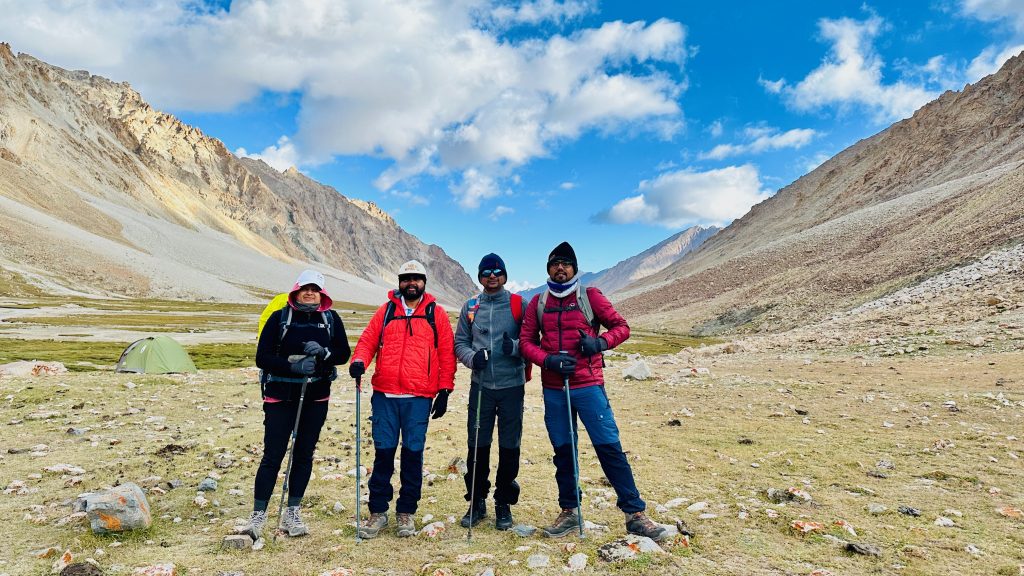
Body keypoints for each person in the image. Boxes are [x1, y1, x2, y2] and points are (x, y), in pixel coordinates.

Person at [519, 241, 668, 541]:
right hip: (554, 389)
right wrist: (547, 359)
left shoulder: (590, 296)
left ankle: (635, 513)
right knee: (564, 451)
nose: (560, 268)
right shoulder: (539, 302)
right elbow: (526, 342)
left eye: (566, 263)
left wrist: (599, 343)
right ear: (548, 269)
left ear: (575, 268)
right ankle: (570, 512)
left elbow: (621, 327)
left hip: (588, 385)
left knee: (609, 447)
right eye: (555, 264)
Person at [349, 260, 456, 539]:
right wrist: (359, 361)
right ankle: (377, 512)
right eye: (406, 278)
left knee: (412, 455)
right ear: (399, 282)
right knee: (383, 453)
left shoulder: (436, 314)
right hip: (385, 394)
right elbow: (368, 341)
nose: (411, 283)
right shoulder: (386, 312)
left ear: (424, 282)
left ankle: (406, 511)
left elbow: (447, 353)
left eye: (416, 279)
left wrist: (444, 390)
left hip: (418, 397)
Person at [244, 270, 351, 539]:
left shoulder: (330, 319)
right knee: (273, 454)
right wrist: (293, 365)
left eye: (315, 289)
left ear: (322, 294)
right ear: (296, 290)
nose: (310, 292)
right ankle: (258, 515)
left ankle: (292, 511)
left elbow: (343, 353)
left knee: (304, 453)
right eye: (305, 288)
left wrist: (324, 353)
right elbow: (262, 357)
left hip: (315, 396)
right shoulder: (280, 317)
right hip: (280, 395)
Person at [453, 253, 528, 531]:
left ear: (505, 275)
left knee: (510, 445)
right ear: (480, 276)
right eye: (486, 272)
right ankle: (476, 501)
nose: (492, 275)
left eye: (497, 271)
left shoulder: (520, 305)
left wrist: (516, 348)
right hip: (481, 386)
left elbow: (534, 340)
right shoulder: (470, 307)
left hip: (512, 386)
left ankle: (503, 502)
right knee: (477, 444)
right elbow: (460, 342)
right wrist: (473, 358)